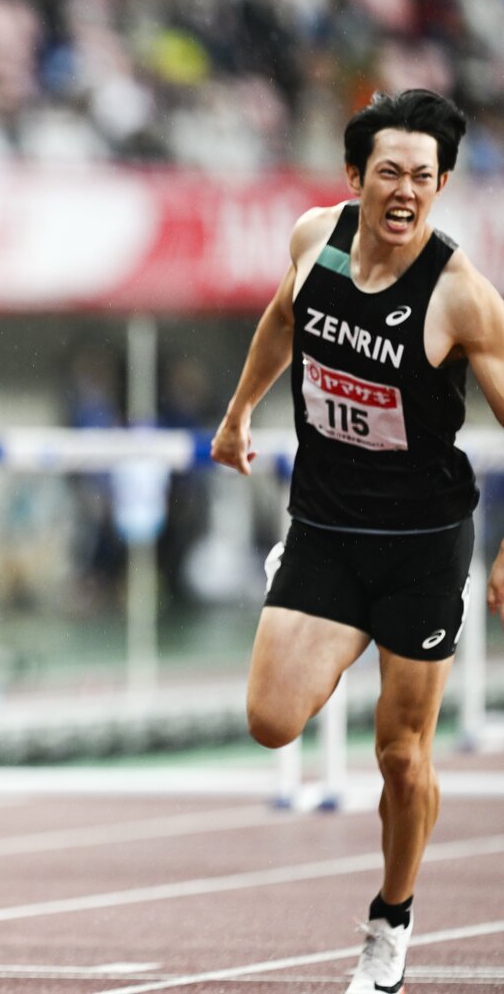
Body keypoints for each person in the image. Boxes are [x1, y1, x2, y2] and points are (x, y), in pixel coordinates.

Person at [210, 88, 504, 994]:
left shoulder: (461, 295)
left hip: (422, 547)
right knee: (270, 722)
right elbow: (282, 319)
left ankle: (392, 920)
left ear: (441, 185)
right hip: (327, 530)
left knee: (401, 755)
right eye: (389, 173)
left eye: (423, 176)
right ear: (355, 177)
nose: (405, 190)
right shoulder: (314, 240)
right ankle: (317, 611)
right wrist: (239, 412)